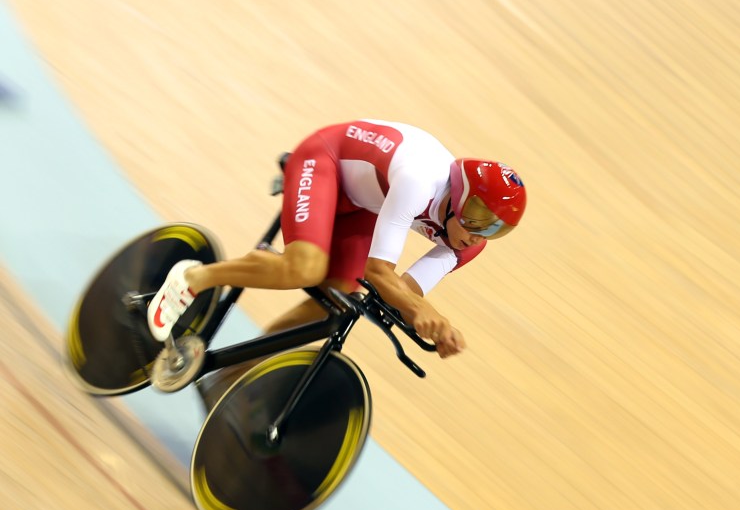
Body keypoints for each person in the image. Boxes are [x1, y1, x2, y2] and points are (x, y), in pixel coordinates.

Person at [147, 119, 527, 360]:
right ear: (458, 198)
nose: (481, 236)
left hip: (365, 201)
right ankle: (192, 279)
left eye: (497, 230)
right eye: (479, 222)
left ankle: (238, 368)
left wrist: (434, 328)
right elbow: (380, 272)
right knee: (304, 267)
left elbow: (400, 293)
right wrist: (420, 311)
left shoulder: (469, 244)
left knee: (339, 301)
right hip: (324, 160)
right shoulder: (420, 180)